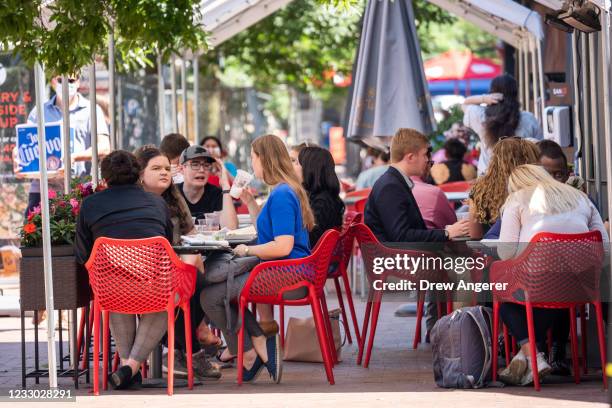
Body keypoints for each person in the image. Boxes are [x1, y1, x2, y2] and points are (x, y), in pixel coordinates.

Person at [200, 134, 315, 383]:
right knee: (213, 294)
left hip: (285, 274)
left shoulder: (282, 194)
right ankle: (257, 346)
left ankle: (253, 350)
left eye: (253, 158)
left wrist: (247, 250)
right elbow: (269, 233)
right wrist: (251, 202)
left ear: (264, 159)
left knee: (210, 297)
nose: (252, 164)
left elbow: (283, 246)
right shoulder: (284, 189)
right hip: (286, 270)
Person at [496, 164, 608, 385]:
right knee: (547, 297)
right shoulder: (580, 197)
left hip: (538, 284)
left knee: (498, 290)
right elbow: (605, 249)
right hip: (582, 287)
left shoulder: (518, 198)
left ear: (515, 185)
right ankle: (528, 356)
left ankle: (531, 357)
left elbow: (506, 252)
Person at [74, 150, 172, 390]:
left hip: (111, 290)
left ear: (104, 178)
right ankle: (132, 366)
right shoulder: (157, 203)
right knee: (169, 297)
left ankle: (129, 369)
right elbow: (168, 245)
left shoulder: (89, 205)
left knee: (116, 291)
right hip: (152, 287)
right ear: (138, 174)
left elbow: (83, 255)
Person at [134, 145, 221, 381]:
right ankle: (189, 351)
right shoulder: (134, 202)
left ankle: (177, 350)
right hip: (143, 274)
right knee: (195, 283)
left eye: (166, 168)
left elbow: (191, 233)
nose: (164, 172)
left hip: (173, 270)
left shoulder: (174, 197)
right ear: (140, 174)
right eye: (156, 168)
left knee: (201, 282)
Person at [19, 74, 110, 215]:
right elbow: (24, 143)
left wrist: (74, 157)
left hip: (79, 187)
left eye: (71, 80)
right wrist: (17, 158)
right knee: (35, 233)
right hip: (43, 189)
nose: (66, 84)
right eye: (61, 80)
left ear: (78, 82)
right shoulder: (39, 112)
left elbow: (104, 147)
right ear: (53, 81)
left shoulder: (91, 110)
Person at [364, 128, 469, 243]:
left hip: (403, 257)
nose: (427, 160)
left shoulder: (394, 182)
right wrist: (447, 233)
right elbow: (402, 236)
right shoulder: (391, 186)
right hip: (399, 259)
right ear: (411, 157)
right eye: (425, 154)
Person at [462, 74, 542, 175]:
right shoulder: (528, 118)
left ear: (491, 92)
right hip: (521, 178)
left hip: (487, 178)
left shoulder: (481, 116)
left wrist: (484, 98)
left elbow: (465, 104)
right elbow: (540, 147)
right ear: (516, 94)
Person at [468, 138, 540, 239]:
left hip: (491, 250)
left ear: (494, 160)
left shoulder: (479, 190)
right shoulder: (535, 188)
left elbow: (475, 234)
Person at [176, 145, 238, 228]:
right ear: (181, 169)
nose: (202, 170)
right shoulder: (172, 194)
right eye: (195, 164)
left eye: (206, 165)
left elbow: (231, 229)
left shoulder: (217, 194)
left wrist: (225, 186)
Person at [298, 146, 345, 247]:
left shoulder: (322, 201)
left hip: (311, 260)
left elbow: (311, 240)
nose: (293, 167)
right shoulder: (324, 196)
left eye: (298, 163)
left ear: (309, 169)